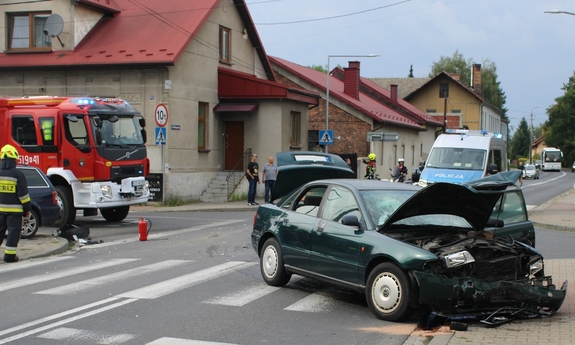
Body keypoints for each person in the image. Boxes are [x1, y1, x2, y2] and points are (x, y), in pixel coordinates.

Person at [0, 144, 31, 263]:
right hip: (15, 212)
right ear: (14, 159)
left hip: (0, 211)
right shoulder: (18, 175)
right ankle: (9, 256)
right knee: (13, 232)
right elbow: (23, 195)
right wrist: (27, 209)